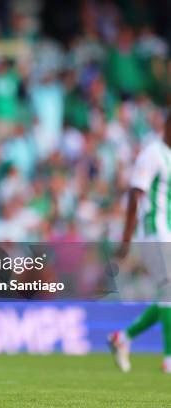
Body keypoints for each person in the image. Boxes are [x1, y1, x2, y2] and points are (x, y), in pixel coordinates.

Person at [109, 113, 171, 374]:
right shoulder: (153, 154)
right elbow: (136, 195)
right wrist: (126, 239)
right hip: (154, 232)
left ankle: (123, 337)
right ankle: (169, 358)